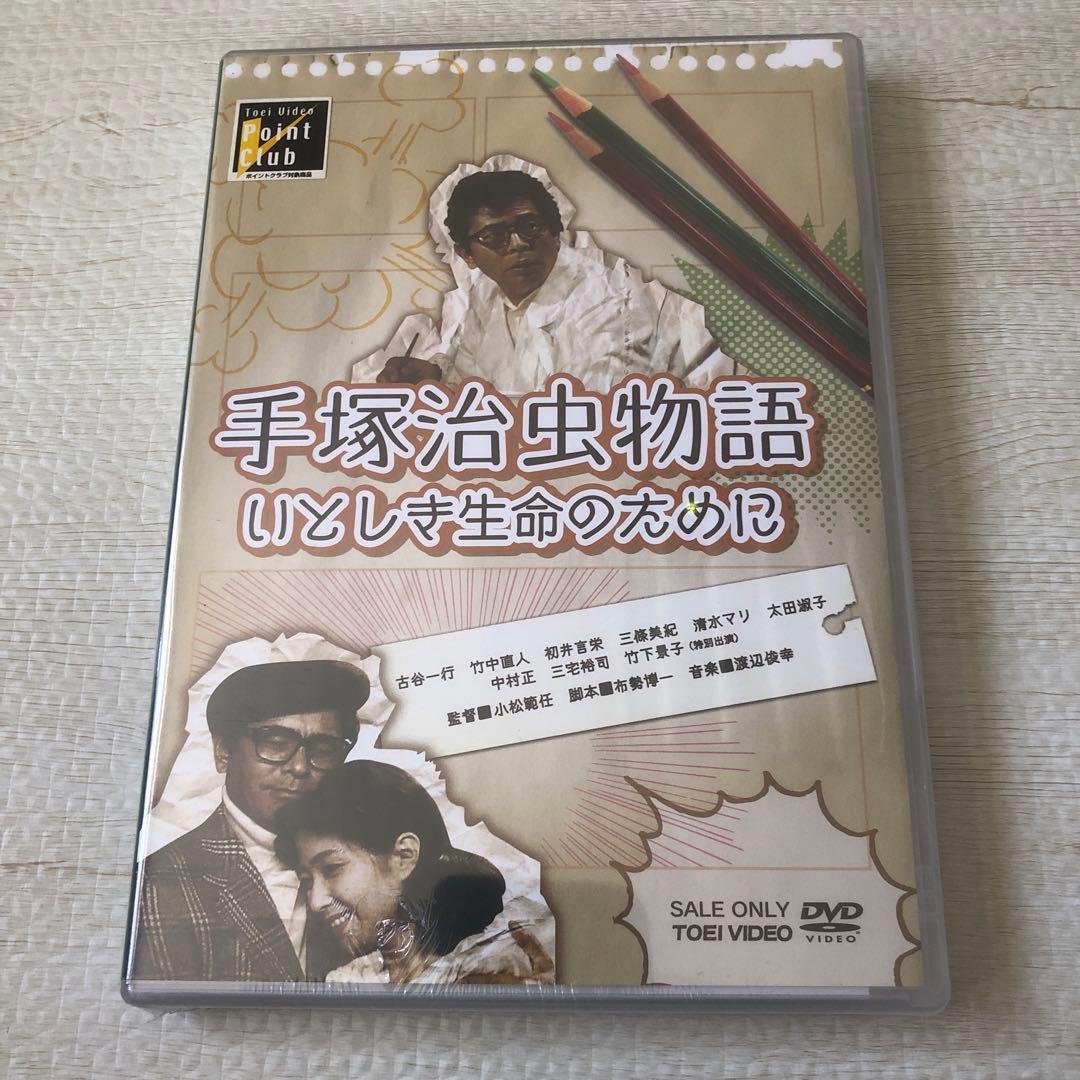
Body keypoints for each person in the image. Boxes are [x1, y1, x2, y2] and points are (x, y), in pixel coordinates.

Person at [362, 164, 734, 395]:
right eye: (494, 235)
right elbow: (490, 379)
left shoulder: (606, 296)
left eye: (530, 226)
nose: (518, 244)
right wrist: (437, 376)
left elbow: (572, 407)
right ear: (467, 254)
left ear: (556, 233)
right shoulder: (484, 302)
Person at [130, 660, 369, 982]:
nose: (300, 767)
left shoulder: (375, 866)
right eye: (275, 744)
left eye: (323, 749)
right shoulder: (157, 886)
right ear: (223, 752)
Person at [274, 759, 555, 986]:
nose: (315, 901)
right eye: (306, 881)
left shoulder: (495, 963)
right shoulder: (348, 981)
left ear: (404, 856)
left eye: (332, 869)